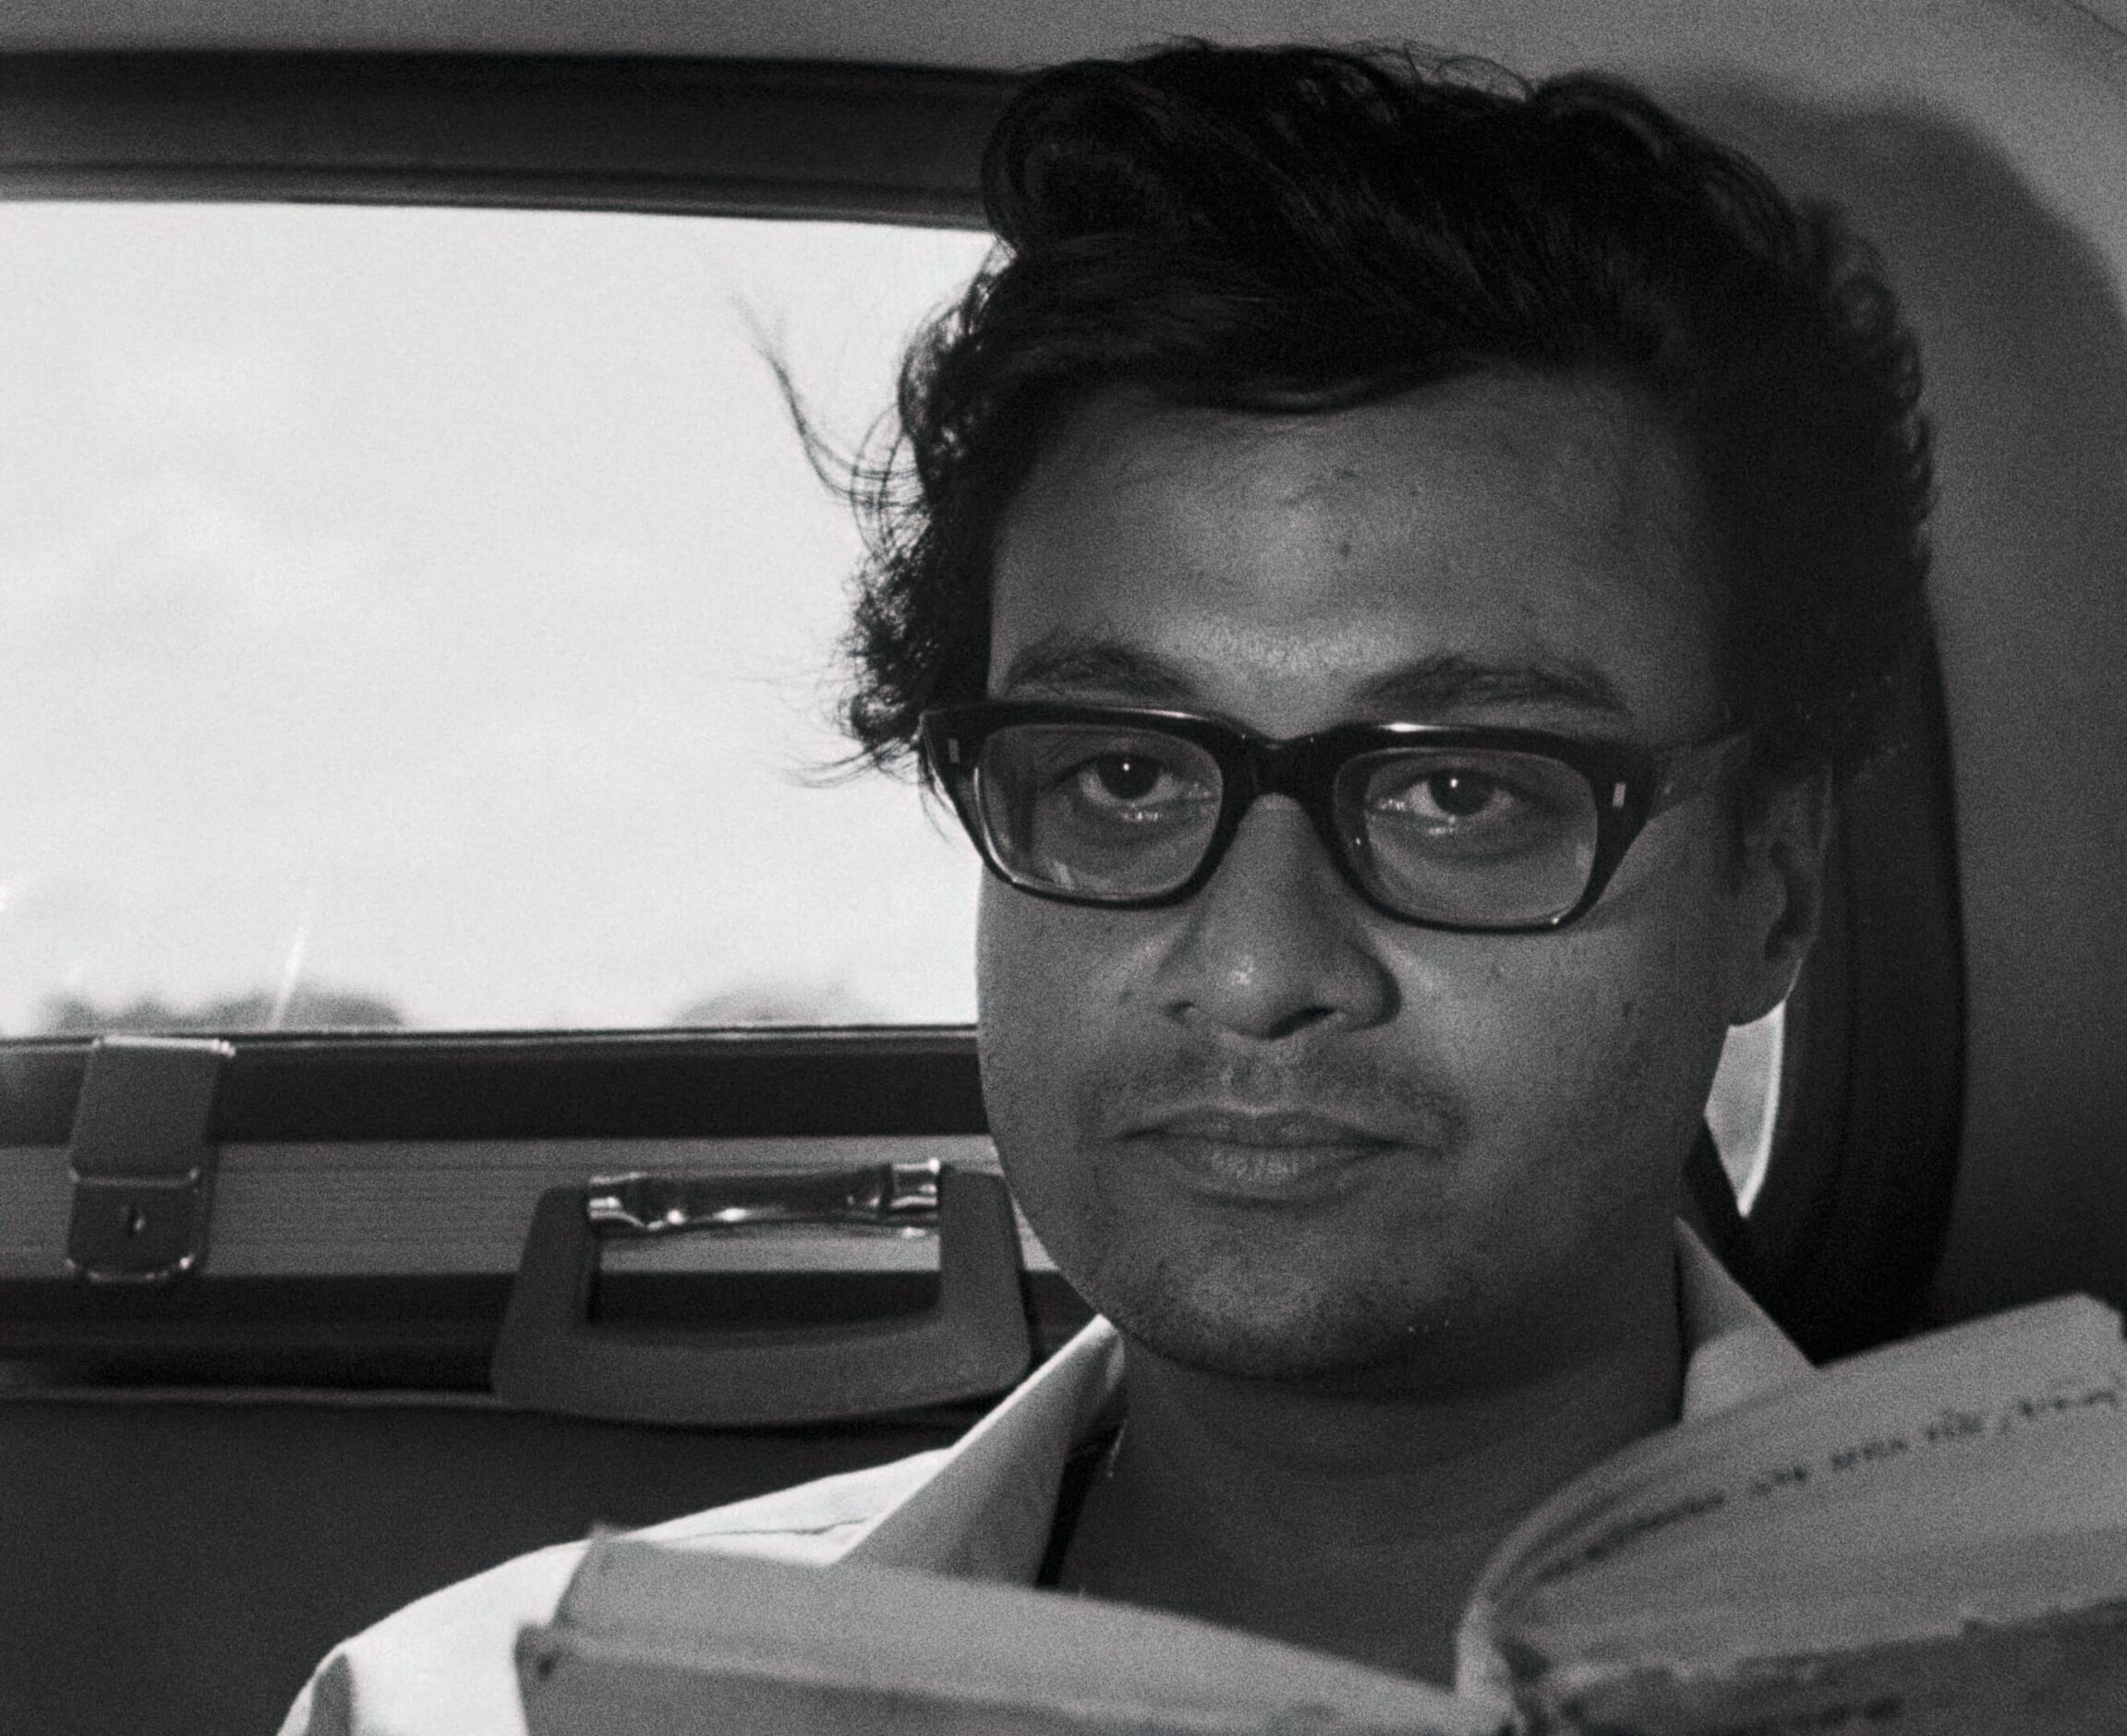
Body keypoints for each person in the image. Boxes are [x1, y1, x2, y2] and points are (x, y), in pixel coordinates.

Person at [279, 41, 1941, 1733]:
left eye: (1459, 791)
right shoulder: (467, 1712)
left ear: (1773, 893)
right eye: (1124, 778)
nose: (1254, 968)